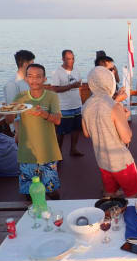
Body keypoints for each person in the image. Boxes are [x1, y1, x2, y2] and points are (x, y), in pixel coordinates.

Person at [5, 64, 62, 199]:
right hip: (27, 152)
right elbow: (10, 120)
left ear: (44, 79)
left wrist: (43, 114)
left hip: (47, 151)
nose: (34, 80)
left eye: (38, 77)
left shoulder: (51, 96)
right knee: (29, 193)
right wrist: (9, 111)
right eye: (30, 76)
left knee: (52, 191)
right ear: (25, 79)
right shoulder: (20, 97)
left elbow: (58, 120)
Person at [82, 66, 137, 198]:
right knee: (133, 195)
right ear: (110, 82)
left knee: (109, 193)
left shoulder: (86, 105)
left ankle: (110, 215)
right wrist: (123, 119)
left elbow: (86, 133)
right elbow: (127, 138)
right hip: (121, 161)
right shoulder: (113, 105)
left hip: (102, 160)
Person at [51, 50, 83, 157]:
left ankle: (73, 149)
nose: (71, 61)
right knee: (61, 132)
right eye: (69, 58)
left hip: (77, 105)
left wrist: (77, 85)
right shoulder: (57, 72)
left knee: (76, 129)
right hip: (64, 107)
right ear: (63, 59)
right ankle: (58, 153)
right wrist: (71, 86)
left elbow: (79, 85)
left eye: (73, 58)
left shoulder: (76, 70)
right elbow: (54, 89)